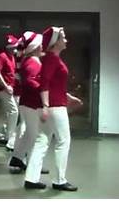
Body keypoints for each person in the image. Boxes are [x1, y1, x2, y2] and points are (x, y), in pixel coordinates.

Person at [24, 27, 83, 191]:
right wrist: (45, 106)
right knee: (63, 141)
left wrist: (69, 97)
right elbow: (44, 84)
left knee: (42, 140)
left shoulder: (52, 58)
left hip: (54, 104)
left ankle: (31, 178)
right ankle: (59, 180)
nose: (66, 40)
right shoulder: (52, 59)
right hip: (55, 107)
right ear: (55, 42)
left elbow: (54, 85)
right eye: (63, 37)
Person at [9, 31, 49, 175]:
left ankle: (17, 158)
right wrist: (44, 91)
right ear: (37, 47)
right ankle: (33, 165)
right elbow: (31, 82)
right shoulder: (32, 62)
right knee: (36, 136)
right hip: (32, 104)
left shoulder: (29, 61)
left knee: (29, 134)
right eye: (41, 45)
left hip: (28, 103)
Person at [0, 35, 20, 151]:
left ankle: (0, 136)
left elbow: (10, 73)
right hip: (4, 90)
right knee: (14, 111)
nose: (15, 49)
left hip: (10, 89)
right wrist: (5, 86)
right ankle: (10, 138)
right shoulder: (2, 56)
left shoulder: (12, 57)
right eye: (14, 47)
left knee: (4, 113)